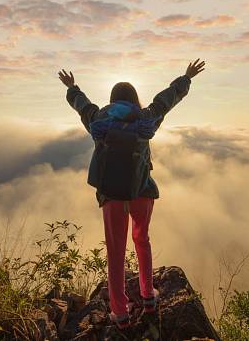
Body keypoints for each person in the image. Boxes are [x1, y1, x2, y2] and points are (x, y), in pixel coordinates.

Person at [58, 59, 206, 330]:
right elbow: (165, 101)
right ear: (135, 99)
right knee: (142, 239)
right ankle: (149, 297)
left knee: (115, 251)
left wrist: (72, 87)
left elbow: (82, 105)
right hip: (142, 190)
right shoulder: (145, 118)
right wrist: (186, 77)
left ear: (112, 99)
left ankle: (120, 313)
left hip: (112, 195)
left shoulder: (99, 120)